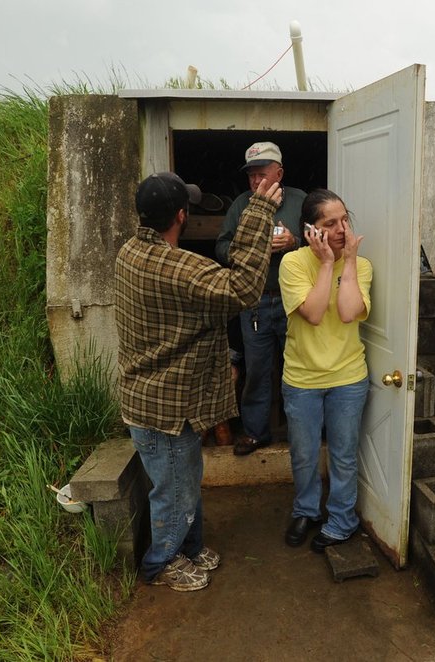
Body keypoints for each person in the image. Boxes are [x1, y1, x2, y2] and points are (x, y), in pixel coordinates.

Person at [115, 171, 281, 590]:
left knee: (185, 480)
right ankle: (161, 563)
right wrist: (259, 212)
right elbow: (243, 288)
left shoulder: (130, 251)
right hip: (163, 408)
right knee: (174, 491)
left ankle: (188, 548)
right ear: (182, 215)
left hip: (158, 399)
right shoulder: (179, 268)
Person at [278, 189, 372, 552]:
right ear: (310, 230)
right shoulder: (293, 264)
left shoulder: (361, 266)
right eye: (329, 223)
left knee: (344, 454)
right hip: (302, 378)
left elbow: (348, 312)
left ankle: (342, 519)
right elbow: (314, 314)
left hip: (348, 377)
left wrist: (347, 262)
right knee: (303, 453)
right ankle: (305, 510)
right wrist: (328, 264)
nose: (340, 229)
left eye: (344, 220)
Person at [215, 142, 306, 456]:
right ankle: (255, 432)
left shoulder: (300, 201)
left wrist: (294, 242)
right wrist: (251, 250)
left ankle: (301, 433)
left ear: (278, 172)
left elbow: (320, 244)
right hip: (253, 303)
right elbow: (221, 248)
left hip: (295, 302)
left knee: (297, 369)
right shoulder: (241, 205)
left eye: (262, 174)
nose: (256, 181)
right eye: (251, 175)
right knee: (256, 370)